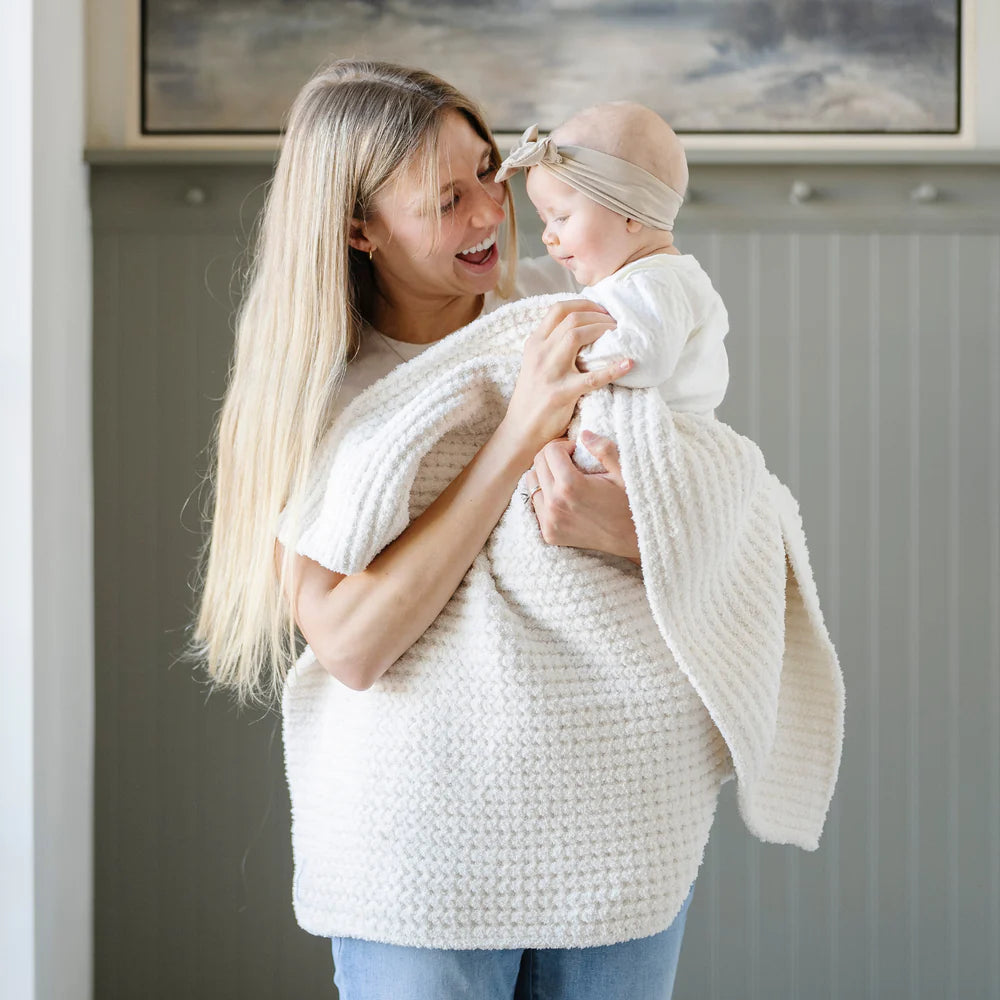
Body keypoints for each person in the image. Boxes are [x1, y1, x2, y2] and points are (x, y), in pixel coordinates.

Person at [190, 60, 697, 1000]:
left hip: (611, 814)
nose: (487, 215)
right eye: (445, 198)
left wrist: (633, 532)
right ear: (358, 228)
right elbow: (350, 644)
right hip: (425, 845)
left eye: (488, 175)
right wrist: (518, 431)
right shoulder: (320, 392)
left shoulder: (578, 312)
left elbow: (714, 521)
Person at [495, 103, 730, 473]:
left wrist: (566, 357)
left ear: (629, 214)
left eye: (561, 217)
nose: (547, 237)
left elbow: (640, 357)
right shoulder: (631, 279)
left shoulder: (656, 280)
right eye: (544, 220)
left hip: (662, 452)